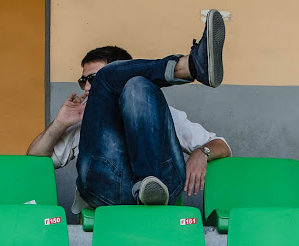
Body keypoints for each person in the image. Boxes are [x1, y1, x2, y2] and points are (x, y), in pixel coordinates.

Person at [27, 9, 231, 211]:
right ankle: (191, 66)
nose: (88, 87)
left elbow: (222, 146)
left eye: (93, 80)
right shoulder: (86, 121)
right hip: (106, 190)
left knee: (138, 86)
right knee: (136, 84)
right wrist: (60, 122)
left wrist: (202, 152)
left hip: (164, 187)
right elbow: (34, 159)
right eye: (84, 81)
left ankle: (149, 185)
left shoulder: (156, 111)